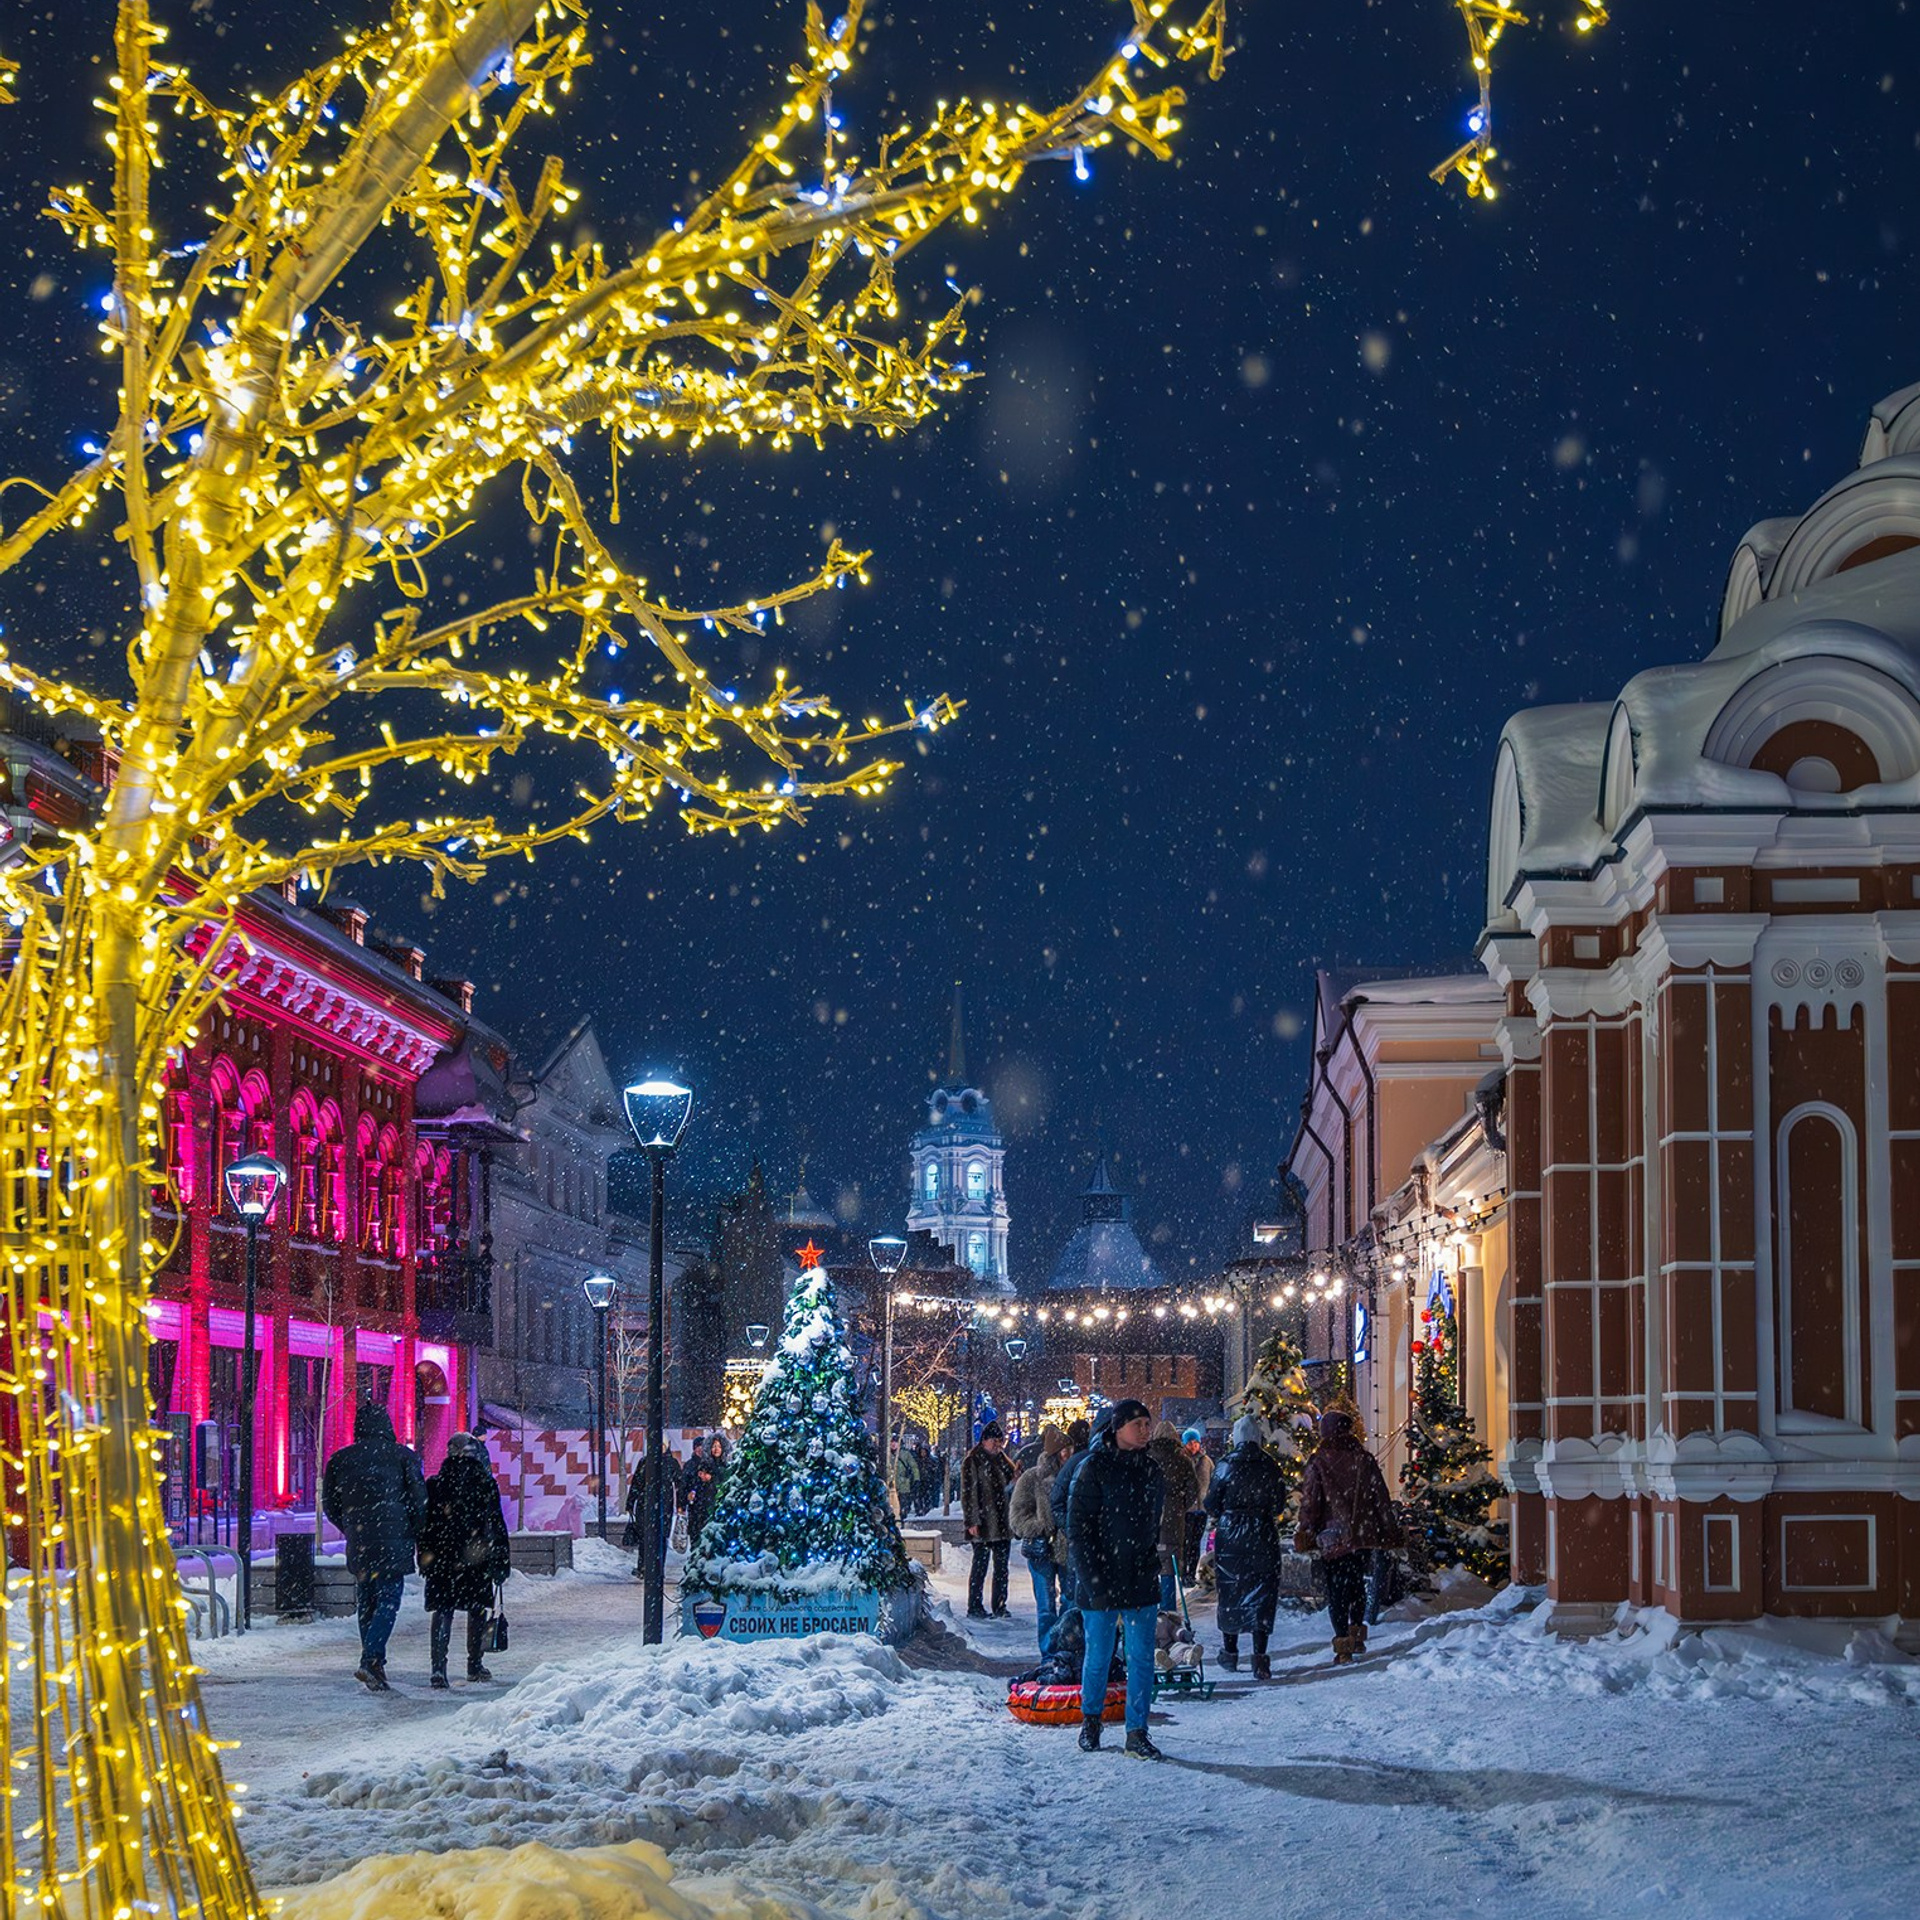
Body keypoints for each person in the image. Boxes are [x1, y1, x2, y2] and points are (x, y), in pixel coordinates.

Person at [1068, 1398, 1166, 1759]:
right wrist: (1091, 1576)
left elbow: (1152, 1521)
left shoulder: (1151, 1471)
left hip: (1140, 1575)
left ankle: (1137, 1730)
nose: (1144, 1429)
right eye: (1137, 1423)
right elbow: (1078, 1527)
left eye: (1147, 1423)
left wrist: (1148, 1559)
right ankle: (1091, 1719)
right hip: (1102, 1576)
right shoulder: (1094, 1469)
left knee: (1141, 1657)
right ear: (1118, 1428)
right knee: (1099, 1654)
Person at [320, 1401, 428, 1692]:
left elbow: (329, 1504)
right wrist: (415, 1532)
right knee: (388, 1601)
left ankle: (374, 1663)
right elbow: (420, 1502)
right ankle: (371, 1659)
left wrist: (351, 1527)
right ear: (386, 1425)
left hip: (361, 1542)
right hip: (394, 1541)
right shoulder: (404, 1457)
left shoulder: (340, 1460)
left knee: (366, 1601)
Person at [1294, 1407, 1402, 1664]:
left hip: (1332, 1537)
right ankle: (1357, 1635)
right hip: (1361, 1534)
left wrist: (1306, 1529)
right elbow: (1381, 1498)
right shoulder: (1364, 1459)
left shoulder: (1319, 1461)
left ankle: (1343, 1644)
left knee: (1337, 1591)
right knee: (1356, 1586)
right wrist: (1388, 1529)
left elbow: (1311, 1502)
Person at [419, 1432, 512, 1688]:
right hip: (476, 1556)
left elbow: (425, 1525)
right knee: (477, 1609)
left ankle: (438, 1668)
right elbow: (496, 1524)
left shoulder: (435, 1485)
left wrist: (424, 1556)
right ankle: (474, 1664)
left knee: (442, 1611)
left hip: (442, 1558)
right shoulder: (484, 1483)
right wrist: (501, 1560)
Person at [1204, 1413, 1287, 1678]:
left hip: (1232, 1535)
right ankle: (1260, 1657)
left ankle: (1230, 1652)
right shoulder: (1270, 1466)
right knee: (1263, 1592)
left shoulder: (1226, 1465)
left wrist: (1227, 1511)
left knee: (1230, 1590)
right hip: (1262, 1533)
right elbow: (1279, 1504)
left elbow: (1211, 1502)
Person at [1009, 1424, 1070, 1653]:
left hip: (1067, 1550)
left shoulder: (1074, 1477)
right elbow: (1017, 1517)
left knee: (1069, 1602)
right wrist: (1041, 1527)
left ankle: (1065, 1649)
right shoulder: (1032, 1478)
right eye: (1065, 1451)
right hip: (1041, 1551)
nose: (1069, 1456)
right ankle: (1048, 1654)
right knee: (1045, 1606)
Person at [960, 1420, 1018, 1617]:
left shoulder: (1003, 1460)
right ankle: (974, 1606)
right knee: (980, 1566)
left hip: (1002, 1522)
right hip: (984, 1522)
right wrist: (972, 1521)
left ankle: (1000, 1605)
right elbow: (968, 1493)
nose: (997, 1444)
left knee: (1001, 1568)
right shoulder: (973, 1461)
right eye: (993, 1440)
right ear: (984, 1441)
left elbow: (1013, 1484)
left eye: (999, 1440)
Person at [1146, 1420, 1199, 1614]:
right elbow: (1193, 1489)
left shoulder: (1147, 1457)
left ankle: (1150, 1610)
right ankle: (1168, 1613)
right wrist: (1180, 1505)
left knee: (1149, 1564)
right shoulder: (1182, 1460)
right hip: (1173, 1518)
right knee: (1169, 1566)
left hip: (1149, 1518)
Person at [1048, 1415, 1100, 1606]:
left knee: (1073, 1596)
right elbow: (1057, 1501)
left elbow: (1057, 1501)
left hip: (1078, 1542)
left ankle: (1069, 1631)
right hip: (1080, 1542)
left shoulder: (1077, 1462)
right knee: (1076, 1598)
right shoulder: (1082, 1462)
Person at [1180, 1428, 1214, 1582]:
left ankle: (1191, 1573)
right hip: (1186, 1510)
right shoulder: (1180, 1460)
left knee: (1195, 1543)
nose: (1193, 1446)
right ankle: (1183, 1573)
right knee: (1185, 1543)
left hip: (1201, 1510)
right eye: (1190, 1443)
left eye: (1196, 1442)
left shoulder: (1207, 1462)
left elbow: (1213, 1483)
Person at [685, 1434, 726, 1545]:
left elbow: (726, 1481)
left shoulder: (727, 1464)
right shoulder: (704, 1464)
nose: (716, 1449)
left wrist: (712, 1479)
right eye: (713, 1446)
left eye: (718, 1446)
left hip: (720, 1506)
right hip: (703, 1505)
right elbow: (695, 1484)